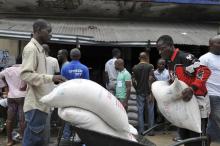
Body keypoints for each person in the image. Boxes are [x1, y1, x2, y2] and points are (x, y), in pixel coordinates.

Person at [156, 35, 211, 146]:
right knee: (186, 138)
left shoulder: (185, 57)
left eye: (162, 48)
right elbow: (176, 81)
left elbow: (204, 70)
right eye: (158, 49)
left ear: (171, 45)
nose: (160, 52)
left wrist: (192, 88)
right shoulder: (169, 62)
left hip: (197, 101)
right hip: (184, 104)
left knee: (196, 138)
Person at [20, 19, 66, 146]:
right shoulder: (31, 49)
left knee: (39, 141)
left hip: (42, 104)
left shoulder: (39, 50)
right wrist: (51, 78)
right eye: (48, 31)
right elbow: (26, 75)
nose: (50, 34)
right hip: (35, 105)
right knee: (32, 141)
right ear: (39, 30)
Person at [61, 48, 89, 142]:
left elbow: (62, 83)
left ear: (70, 56)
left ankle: (66, 137)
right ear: (80, 56)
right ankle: (78, 137)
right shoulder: (84, 68)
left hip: (68, 96)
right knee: (79, 116)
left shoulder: (64, 68)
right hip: (80, 97)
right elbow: (86, 84)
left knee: (67, 115)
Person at [0, 56, 26, 146]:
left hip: (11, 96)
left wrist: (6, 85)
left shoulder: (7, 70)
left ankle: (9, 141)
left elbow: (0, 76)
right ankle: (24, 141)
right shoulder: (25, 69)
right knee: (22, 120)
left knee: (9, 120)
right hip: (22, 96)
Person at [199, 35, 220, 143]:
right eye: (219, 43)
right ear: (210, 45)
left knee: (212, 123)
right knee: (217, 118)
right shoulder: (204, 58)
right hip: (212, 95)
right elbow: (199, 78)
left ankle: (207, 141)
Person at [132, 52, 155, 135]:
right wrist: (151, 93)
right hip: (148, 92)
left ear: (139, 58)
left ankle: (141, 131)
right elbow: (150, 79)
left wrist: (137, 88)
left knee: (140, 112)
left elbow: (133, 81)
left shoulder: (135, 68)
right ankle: (151, 131)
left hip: (139, 92)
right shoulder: (150, 66)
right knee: (150, 111)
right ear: (147, 58)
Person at [42, 44, 60, 144]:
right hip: (49, 92)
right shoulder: (54, 60)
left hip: (37, 92)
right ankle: (46, 141)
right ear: (49, 50)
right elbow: (57, 79)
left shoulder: (36, 60)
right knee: (47, 118)